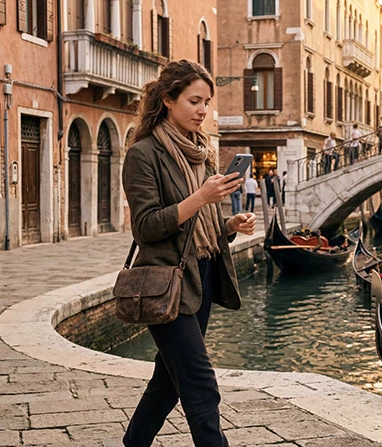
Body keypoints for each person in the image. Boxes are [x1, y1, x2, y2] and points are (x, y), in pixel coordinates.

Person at [121, 59, 257, 447]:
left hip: (203, 277)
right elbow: (146, 227)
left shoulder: (202, 153)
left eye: (207, 103)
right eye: (194, 101)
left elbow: (202, 224)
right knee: (200, 384)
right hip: (167, 281)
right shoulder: (143, 154)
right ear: (168, 99)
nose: (203, 110)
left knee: (167, 382)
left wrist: (230, 225)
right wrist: (200, 197)